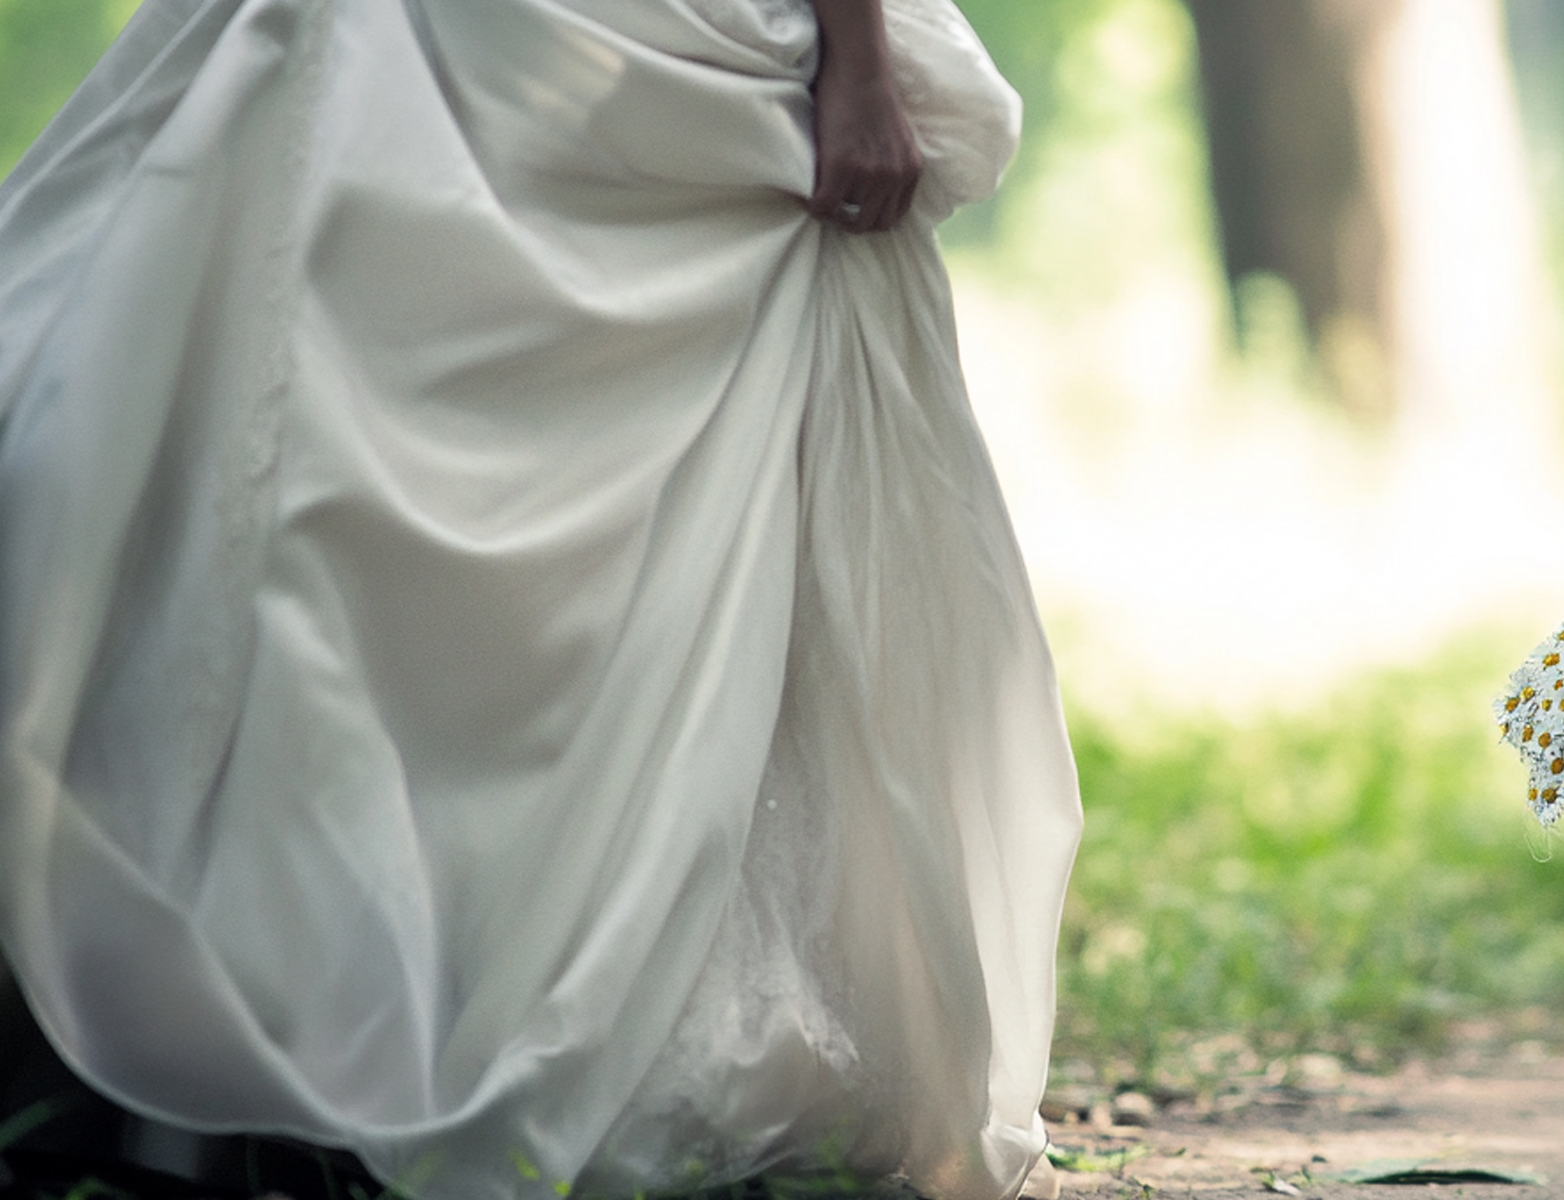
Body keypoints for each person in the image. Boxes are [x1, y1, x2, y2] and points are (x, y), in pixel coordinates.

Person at [0, 1, 1082, 1198]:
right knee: (302, 460)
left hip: (645, 56)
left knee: (470, 504)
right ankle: (276, 1019)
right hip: (405, 42)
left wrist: (859, 61)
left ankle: (460, 1021)